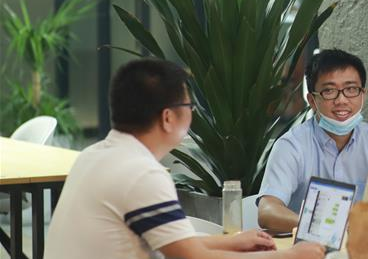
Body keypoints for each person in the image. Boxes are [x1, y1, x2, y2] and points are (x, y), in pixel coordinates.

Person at [45, 58, 324, 259]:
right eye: (189, 105)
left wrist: (233, 242)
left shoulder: (94, 156)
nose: (193, 113)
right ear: (168, 117)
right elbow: (190, 256)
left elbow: (176, 243)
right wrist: (290, 256)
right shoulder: (142, 174)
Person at [257, 49, 368, 232]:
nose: (342, 100)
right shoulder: (291, 146)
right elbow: (267, 211)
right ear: (312, 101)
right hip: (308, 245)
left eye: (351, 89)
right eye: (329, 91)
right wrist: (323, 227)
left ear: (363, 94)